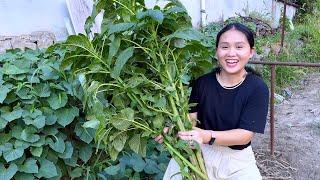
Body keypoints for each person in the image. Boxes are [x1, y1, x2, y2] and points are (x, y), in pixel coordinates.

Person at [159, 23, 269, 180]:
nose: (231, 53)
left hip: (237, 161)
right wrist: (172, 131)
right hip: (198, 152)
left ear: (251, 52)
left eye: (239, 47)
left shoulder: (257, 88)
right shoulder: (203, 83)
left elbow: (244, 135)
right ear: (217, 51)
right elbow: (191, 120)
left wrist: (206, 136)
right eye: (224, 47)